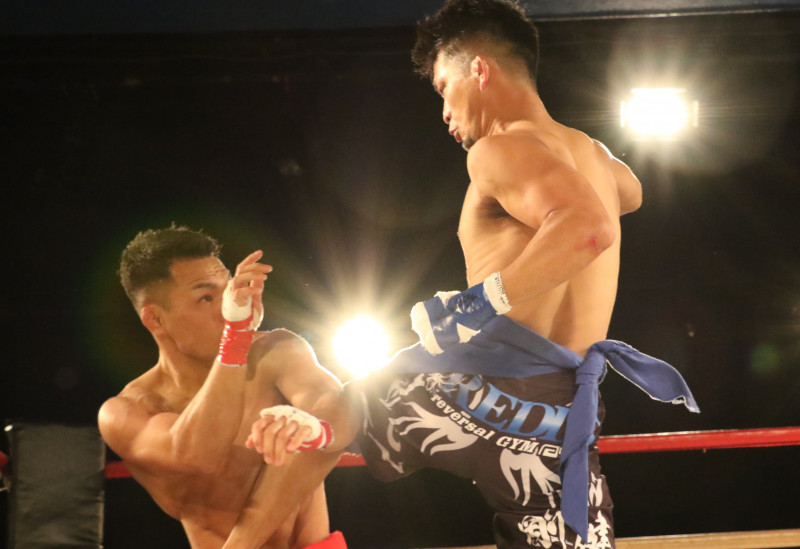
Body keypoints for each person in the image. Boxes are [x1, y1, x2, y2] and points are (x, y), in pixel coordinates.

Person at [250, 1, 698, 547]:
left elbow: (588, 229)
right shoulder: (595, 158)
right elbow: (632, 194)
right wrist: (580, 162)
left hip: (485, 386)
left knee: (350, 403)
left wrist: (478, 304)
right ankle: (320, 427)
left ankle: (309, 437)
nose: (444, 111)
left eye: (444, 87)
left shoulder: (496, 150)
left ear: (480, 69)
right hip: (558, 412)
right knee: (367, 397)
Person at [98, 225, 349, 549]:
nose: (230, 308)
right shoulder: (127, 412)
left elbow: (342, 409)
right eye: (205, 297)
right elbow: (197, 455)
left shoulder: (276, 352)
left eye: (228, 290)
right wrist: (236, 339)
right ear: (155, 319)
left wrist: (315, 429)